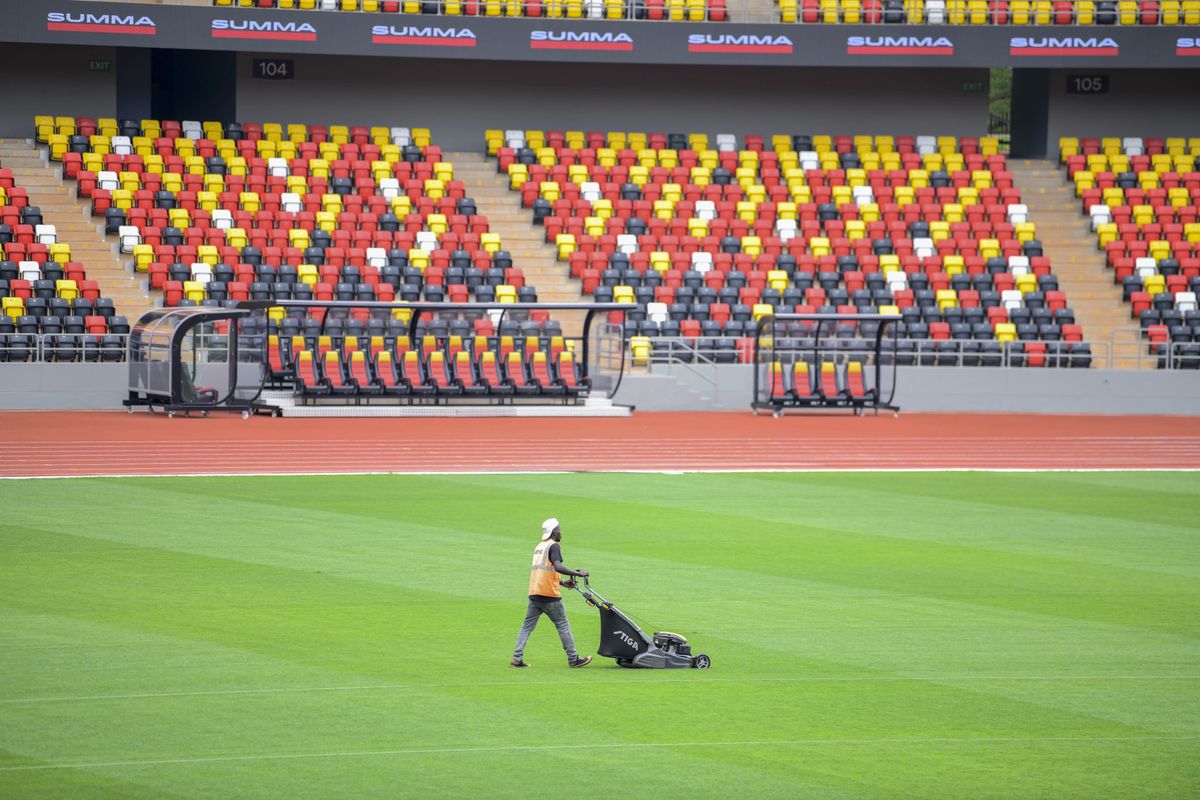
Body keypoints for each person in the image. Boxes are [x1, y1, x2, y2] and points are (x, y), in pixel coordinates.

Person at [511, 518, 592, 668]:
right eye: (559, 529)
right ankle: (573, 659)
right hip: (549, 596)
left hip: (535, 593)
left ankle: (516, 658)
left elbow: (544, 571)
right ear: (554, 531)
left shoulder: (539, 547)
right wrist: (578, 573)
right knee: (562, 624)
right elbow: (557, 566)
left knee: (526, 627)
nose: (561, 532)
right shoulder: (554, 546)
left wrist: (561, 582)